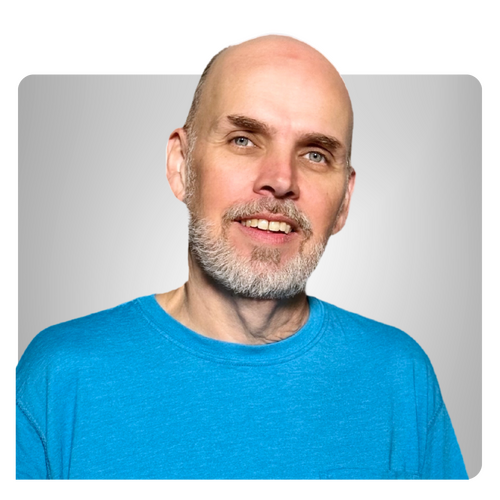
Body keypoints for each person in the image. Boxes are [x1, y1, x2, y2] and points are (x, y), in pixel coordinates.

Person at [13, 31, 469, 481]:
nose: (281, 179)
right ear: (181, 165)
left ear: (344, 200)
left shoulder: (399, 377)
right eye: (243, 140)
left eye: (315, 154)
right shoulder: (60, 376)